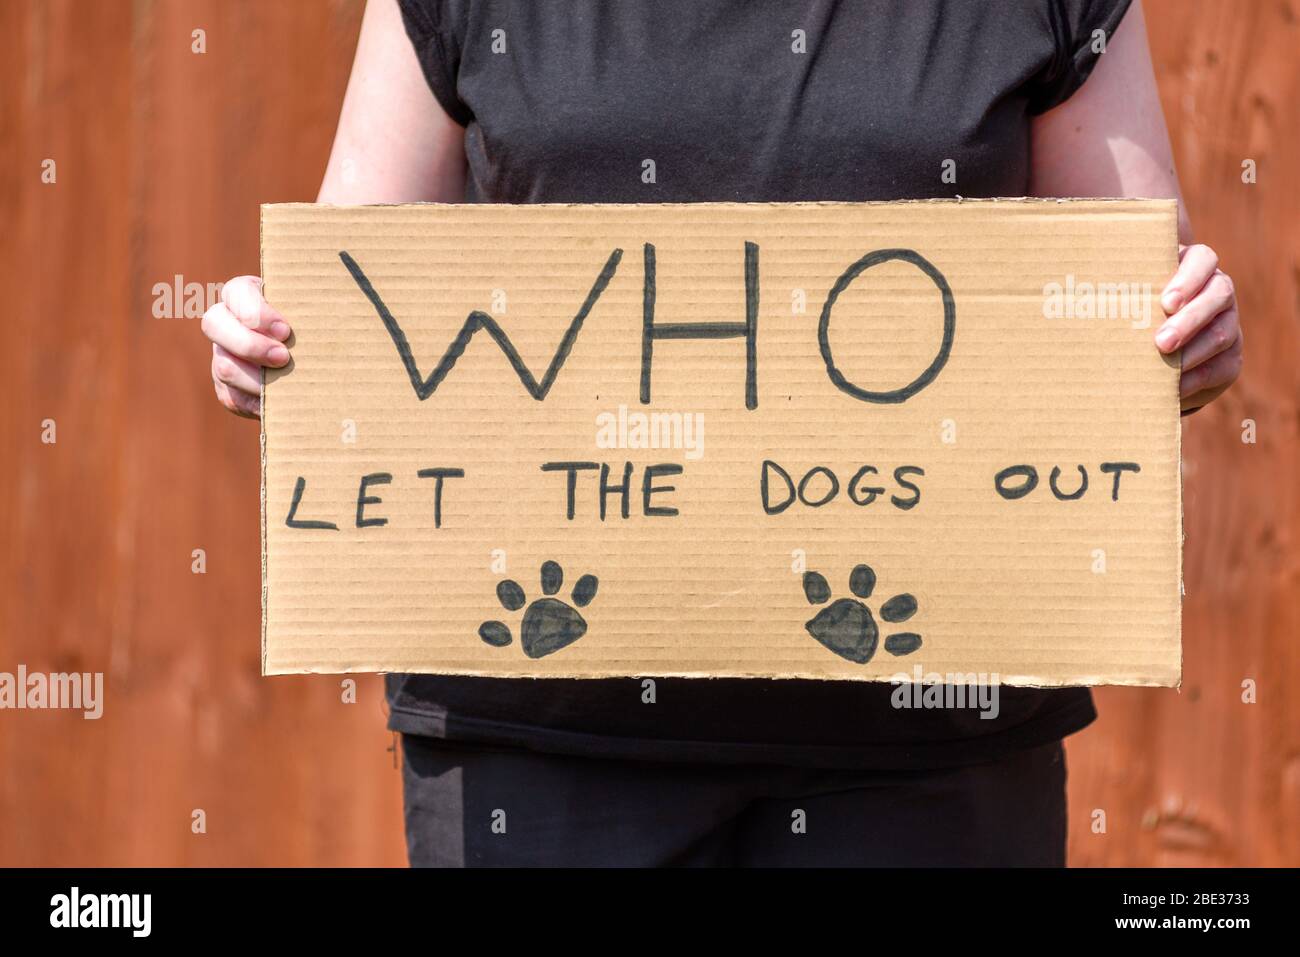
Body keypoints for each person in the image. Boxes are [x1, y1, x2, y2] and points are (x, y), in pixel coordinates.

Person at [201, 0, 1241, 866]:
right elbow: (359, 288)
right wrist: (276, 346)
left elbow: (1124, 302)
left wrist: (1179, 340)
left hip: (931, 748)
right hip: (544, 743)